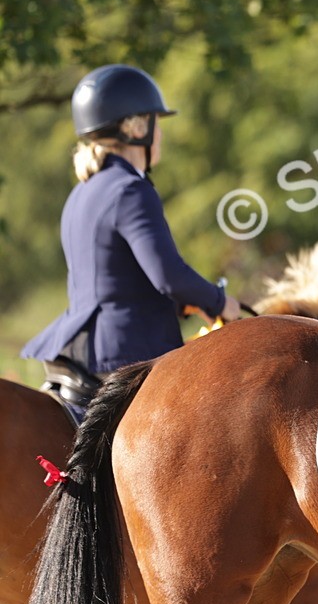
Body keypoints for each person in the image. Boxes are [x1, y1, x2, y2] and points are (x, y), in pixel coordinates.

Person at [22, 64, 242, 389]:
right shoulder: (130, 190)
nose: (161, 134)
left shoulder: (82, 191)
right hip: (128, 352)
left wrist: (186, 303)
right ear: (137, 127)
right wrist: (221, 301)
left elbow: (115, 276)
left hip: (83, 348)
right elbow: (169, 276)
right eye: (157, 123)